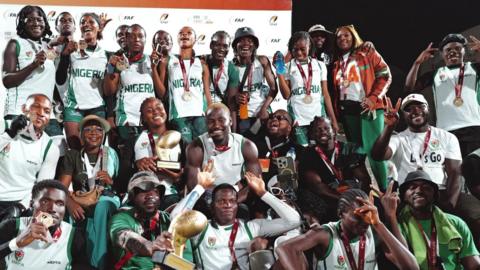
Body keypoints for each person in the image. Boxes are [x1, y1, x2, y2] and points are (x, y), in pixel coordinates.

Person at [371, 94, 480, 244]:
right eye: (408, 109)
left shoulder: (447, 137)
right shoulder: (398, 138)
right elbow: (377, 155)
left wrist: (450, 204)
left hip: (441, 192)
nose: (415, 111)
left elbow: (455, 173)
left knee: (476, 213)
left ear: (428, 109)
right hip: (409, 194)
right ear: (403, 116)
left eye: (420, 106)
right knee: (387, 223)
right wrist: (389, 127)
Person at [179, 170, 301, 270]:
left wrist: (262, 193)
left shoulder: (250, 227)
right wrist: (200, 187)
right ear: (212, 207)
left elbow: (294, 220)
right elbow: (176, 220)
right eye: (221, 201)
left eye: (232, 201)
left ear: (237, 205)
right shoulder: (201, 228)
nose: (227, 205)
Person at [276, 189, 419, 270]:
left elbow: (411, 267)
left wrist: (381, 221)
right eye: (358, 216)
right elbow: (284, 248)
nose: (365, 221)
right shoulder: (325, 234)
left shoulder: (374, 232)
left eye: (368, 214)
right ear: (341, 214)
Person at [381, 170, 480, 270]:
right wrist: (390, 215)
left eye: (426, 187)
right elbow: (403, 261)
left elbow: (473, 264)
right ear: (404, 197)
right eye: (412, 187)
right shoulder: (398, 224)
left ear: (434, 195)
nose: (419, 191)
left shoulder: (456, 223)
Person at [104, 24, 162, 193]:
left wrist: (156, 66)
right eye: (132, 36)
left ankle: (150, 193)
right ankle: (125, 195)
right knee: (128, 162)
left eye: (140, 36)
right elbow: (109, 91)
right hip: (127, 120)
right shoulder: (119, 61)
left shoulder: (153, 60)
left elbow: (161, 93)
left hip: (149, 121)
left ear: (145, 40)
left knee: (150, 160)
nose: (136, 39)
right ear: (126, 39)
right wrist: (111, 68)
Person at [331, 25, 391, 190]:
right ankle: (365, 189)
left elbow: (385, 75)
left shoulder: (367, 52)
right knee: (355, 154)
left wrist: (373, 98)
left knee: (374, 152)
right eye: (339, 37)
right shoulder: (336, 63)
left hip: (368, 107)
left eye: (346, 36)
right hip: (347, 111)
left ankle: (385, 190)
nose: (343, 39)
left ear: (354, 37)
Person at [59, 115, 119, 269]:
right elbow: (62, 188)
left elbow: (119, 186)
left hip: (106, 197)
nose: (94, 132)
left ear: (104, 135)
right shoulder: (73, 155)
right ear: (81, 134)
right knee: (63, 206)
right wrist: (71, 204)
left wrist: (110, 181)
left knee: (102, 207)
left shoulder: (110, 153)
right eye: (88, 129)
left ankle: (99, 265)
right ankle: (65, 261)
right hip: (82, 199)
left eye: (99, 129)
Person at [405, 33, 480, 158]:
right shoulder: (435, 74)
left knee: (475, 171)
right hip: (446, 131)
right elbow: (409, 89)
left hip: (474, 129)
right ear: (442, 54)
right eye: (448, 49)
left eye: (457, 48)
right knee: (453, 174)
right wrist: (417, 63)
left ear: (464, 51)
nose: (453, 52)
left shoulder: (474, 68)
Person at [2, 6, 63, 142]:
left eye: (39, 19)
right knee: (19, 158)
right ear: (23, 23)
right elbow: (7, 81)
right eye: (30, 20)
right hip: (20, 112)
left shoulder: (48, 46)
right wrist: (33, 65)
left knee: (59, 152)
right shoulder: (15, 43)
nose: (36, 23)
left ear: (45, 23)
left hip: (47, 114)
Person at [109, 171, 188, 269]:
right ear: (132, 197)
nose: (150, 195)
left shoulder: (170, 221)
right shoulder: (120, 218)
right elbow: (124, 236)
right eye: (143, 191)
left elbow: (185, 261)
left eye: (155, 191)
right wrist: (147, 245)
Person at [0, 180, 87, 269]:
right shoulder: (13, 225)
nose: (53, 208)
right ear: (31, 204)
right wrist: (16, 243)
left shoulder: (73, 235)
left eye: (60, 204)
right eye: (45, 201)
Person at [184, 103, 261, 203]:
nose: (216, 125)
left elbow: (254, 184)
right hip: (206, 199)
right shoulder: (195, 148)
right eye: (211, 121)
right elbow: (193, 185)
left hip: (237, 198)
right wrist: (214, 205)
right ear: (206, 124)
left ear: (230, 121)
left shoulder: (247, 146)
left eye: (221, 120)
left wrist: (230, 203)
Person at [299, 116, 370, 221]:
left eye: (326, 128)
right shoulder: (308, 154)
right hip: (329, 198)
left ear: (334, 131)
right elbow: (317, 186)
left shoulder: (349, 148)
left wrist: (361, 199)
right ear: (313, 135)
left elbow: (363, 178)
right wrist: (345, 200)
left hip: (353, 192)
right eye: (317, 130)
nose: (322, 132)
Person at [56, 12, 109, 150]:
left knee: (95, 150)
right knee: (75, 150)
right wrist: (65, 55)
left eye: (91, 22)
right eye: (83, 22)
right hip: (74, 106)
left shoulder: (106, 55)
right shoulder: (72, 49)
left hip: (97, 106)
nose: (86, 24)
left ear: (99, 28)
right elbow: (60, 80)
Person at [0, 94, 59, 216]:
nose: (41, 113)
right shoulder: (3, 126)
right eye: (36, 107)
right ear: (24, 109)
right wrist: (9, 134)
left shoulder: (50, 148)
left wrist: (21, 207)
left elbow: (42, 188)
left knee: (48, 220)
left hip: (21, 202)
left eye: (47, 111)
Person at [276, 31, 338, 146]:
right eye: (295, 49)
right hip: (298, 120)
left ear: (309, 46)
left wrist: (333, 120)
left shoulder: (320, 65)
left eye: (302, 49)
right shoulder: (288, 67)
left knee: (320, 153)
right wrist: (279, 73)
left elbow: (325, 94)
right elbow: (286, 95)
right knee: (304, 153)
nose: (299, 53)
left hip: (319, 119)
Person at [157, 26, 212, 143]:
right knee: (185, 149)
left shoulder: (202, 65)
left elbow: (207, 94)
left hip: (199, 115)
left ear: (195, 39)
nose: (184, 35)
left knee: (202, 148)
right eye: (181, 33)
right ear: (177, 39)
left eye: (189, 33)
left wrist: (211, 115)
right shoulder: (168, 62)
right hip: (178, 116)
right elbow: (162, 93)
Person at [134, 97, 185, 210]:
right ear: (143, 118)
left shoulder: (180, 139)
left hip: (170, 193)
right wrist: (137, 164)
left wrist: (167, 171)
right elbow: (124, 170)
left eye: (159, 107)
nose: (156, 111)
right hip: (142, 193)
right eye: (149, 110)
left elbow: (183, 170)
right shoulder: (135, 140)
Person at [232, 26, 277, 135]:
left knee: (261, 145)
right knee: (247, 144)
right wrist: (235, 97)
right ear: (235, 46)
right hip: (242, 116)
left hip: (260, 115)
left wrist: (264, 108)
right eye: (241, 40)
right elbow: (226, 95)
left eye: (249, 41)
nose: (245, 44)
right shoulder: (230, 67)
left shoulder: (262, 61)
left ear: (255, 46)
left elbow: (274, 88)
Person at [255, 109, 303, 184]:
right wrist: (258, 121)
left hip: (284, 189)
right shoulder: (257, 144)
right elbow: (245, 136)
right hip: (259, 188)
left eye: (280, 118)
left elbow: (290, 182)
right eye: (271, 117)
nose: (274, 119)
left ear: (289, 128)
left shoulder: (296, 149)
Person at [204, 31, 239, 126]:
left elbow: (232, 105)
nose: (221, 49)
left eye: (225, 46)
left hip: (220, 111)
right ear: (211, 45)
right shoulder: (199, 62)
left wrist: (234, 132)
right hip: (201, 111)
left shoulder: (232, 68)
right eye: (217, 45)